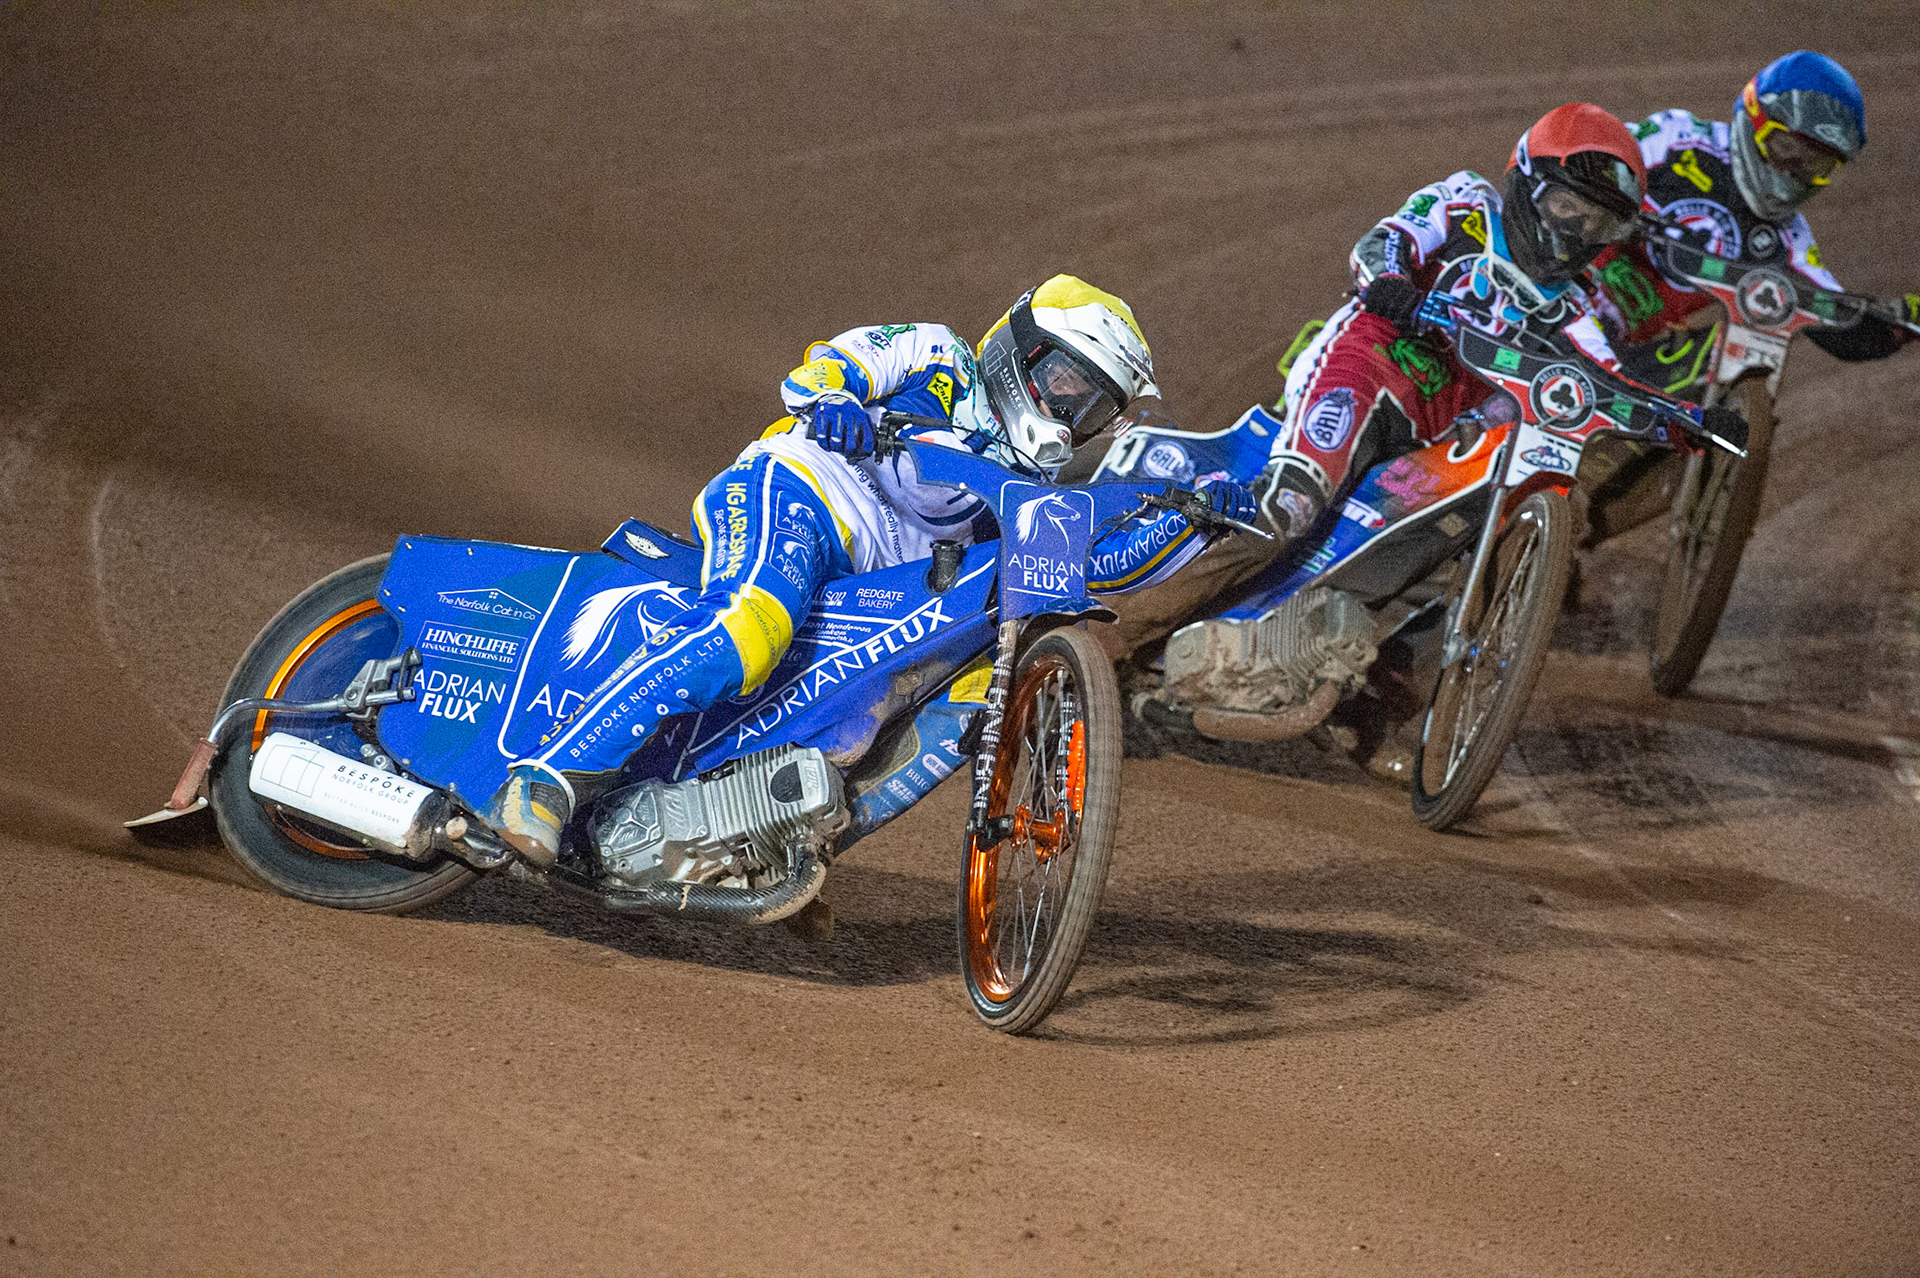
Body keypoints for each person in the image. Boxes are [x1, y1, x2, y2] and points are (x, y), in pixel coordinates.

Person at [485, 275, 1257, 865]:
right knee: (752, 626)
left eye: (1092, 406)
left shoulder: (1035, 490)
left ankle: (776, 846)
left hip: (875, 586)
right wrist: (837, 403)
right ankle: (547, 778)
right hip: (803, 493)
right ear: (1021, 351)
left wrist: (1195, 518)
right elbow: (828, 368)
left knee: (941, 695)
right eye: (1066, 381)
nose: (1070, 409)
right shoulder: (939, 355)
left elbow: (1105, 566)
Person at [1092, 103, 1724, 673]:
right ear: (1529, 182)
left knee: (1465, 551)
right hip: (1365, 368)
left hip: (1438, 438)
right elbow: (1384, 242)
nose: (1576, 234)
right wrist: (1393, 284)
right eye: (1568, 209)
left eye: (1597, 224)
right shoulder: (1468, 206)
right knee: (1289, 508)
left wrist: (1688, 421)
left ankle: (1374, 692)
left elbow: (1608, 382)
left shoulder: (1575, 313)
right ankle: (1110, 629)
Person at [1585, 50, 1916, 397]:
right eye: (1786, 148)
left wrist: (1897, 323)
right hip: (1563, 289)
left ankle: (1675, 430)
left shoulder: (1787, 242)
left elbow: (1836, 318)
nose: (1791, 172)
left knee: (1745, 347)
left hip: (1623, 358)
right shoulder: (1677, 141)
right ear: (1756, 118)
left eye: (1815, 164)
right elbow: (1580, 164)